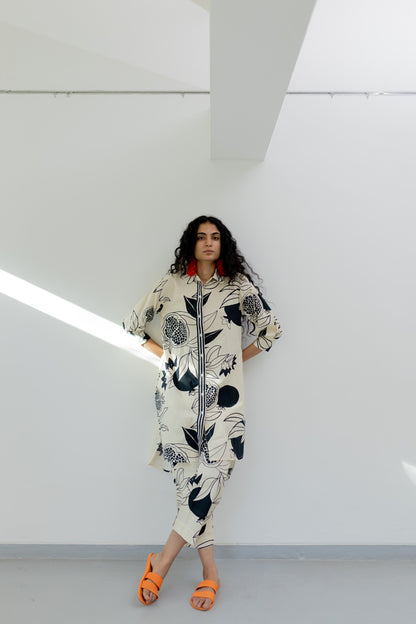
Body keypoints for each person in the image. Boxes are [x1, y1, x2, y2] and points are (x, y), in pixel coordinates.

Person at [122, 215, 282, 611]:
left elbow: (270, 330)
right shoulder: (171, 284)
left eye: (215, 237)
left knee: (211, 480)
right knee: (188, 491)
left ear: (223, 244)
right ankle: (210, 572)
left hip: (224, 406)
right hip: (176, 403)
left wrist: (233, 363)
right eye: (201, 237)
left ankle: (161, 562)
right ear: (190, 244)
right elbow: (132, 324)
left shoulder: (238, 286)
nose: (208, 242)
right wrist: (170, 358)